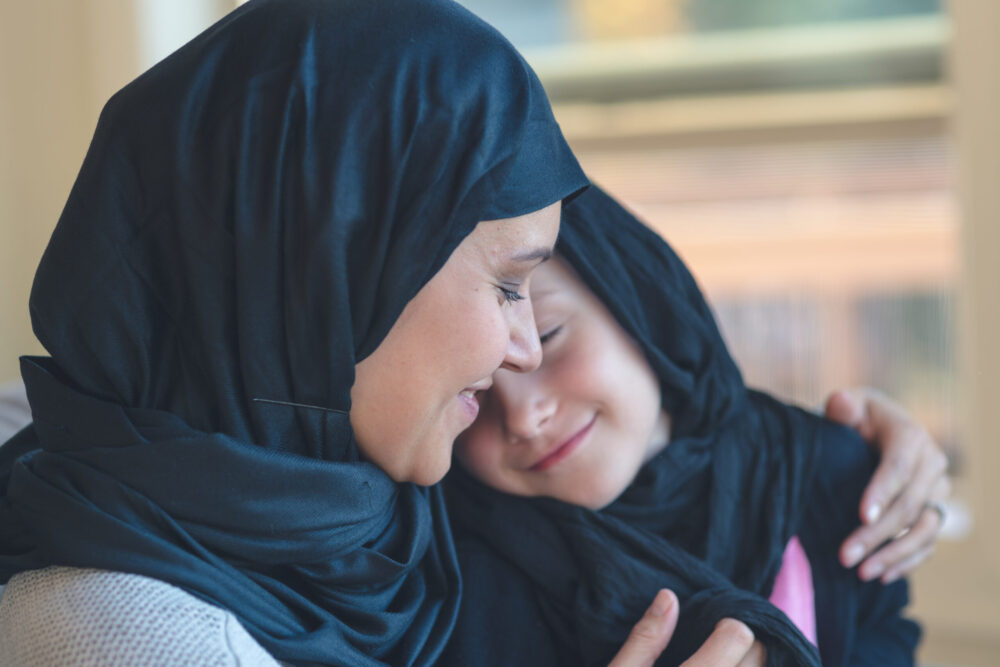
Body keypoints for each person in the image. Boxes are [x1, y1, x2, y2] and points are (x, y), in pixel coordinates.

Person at [0, 0, 590, 664]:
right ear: (331, 269)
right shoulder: (135, 637)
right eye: (509, 286)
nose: (526, 350)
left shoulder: (377, 515)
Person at [444, 186, 942, 665]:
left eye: (548, 335)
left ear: (637, 299)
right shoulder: (460, 577)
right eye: (473, 390)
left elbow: (884, 629)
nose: (525, 417)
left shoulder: (824, 469)